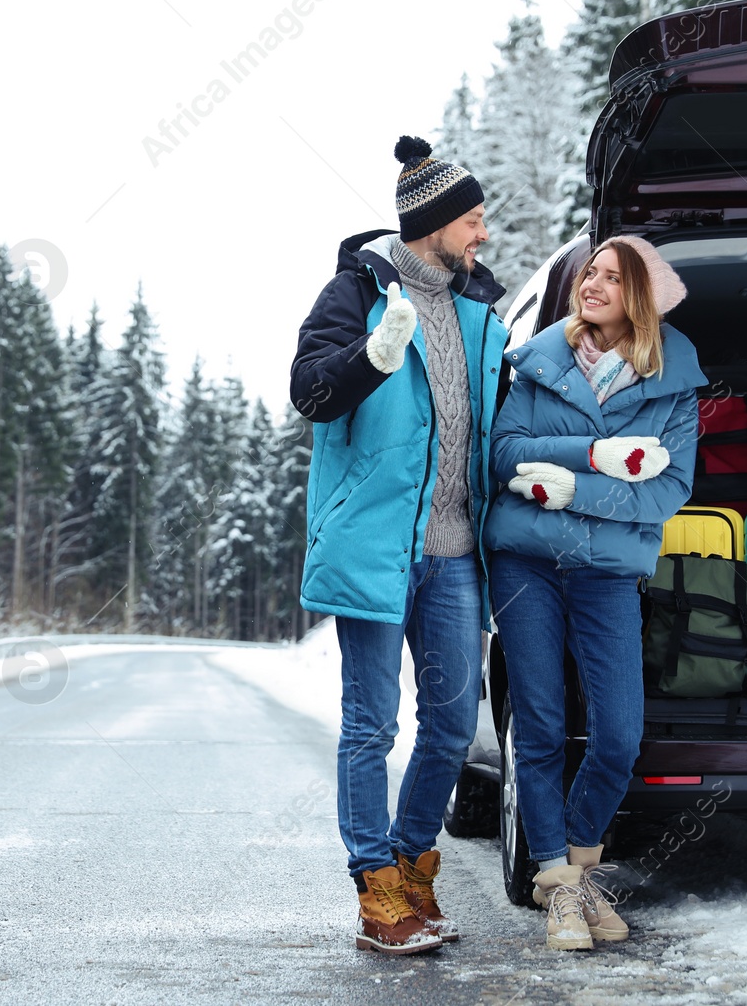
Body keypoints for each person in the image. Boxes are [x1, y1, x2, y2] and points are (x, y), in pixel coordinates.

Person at [290, 136, 509, 956]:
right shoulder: (355, 291)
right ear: (436, 222)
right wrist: (372, 357)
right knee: (370, 724)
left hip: (456, 556)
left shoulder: (483, 315)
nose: (482, 236)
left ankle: (415, 871)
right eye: (475, 220)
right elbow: (310, 390)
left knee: (453, 723)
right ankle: (375, 887)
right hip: (378, 546)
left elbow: (499, 426)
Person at [483, 235, 703, 951]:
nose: (593, 284)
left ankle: (577, 867)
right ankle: (558, 885)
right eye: (590, 273)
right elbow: (505, 451)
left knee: (617, 735)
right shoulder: (542, 358)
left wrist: (575, 489)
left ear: (639, 296)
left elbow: (667, 490)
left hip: (607, 569)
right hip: (528, 563)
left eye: (611, 277)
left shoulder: (672, 383)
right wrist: (599, 457)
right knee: (541, 726)